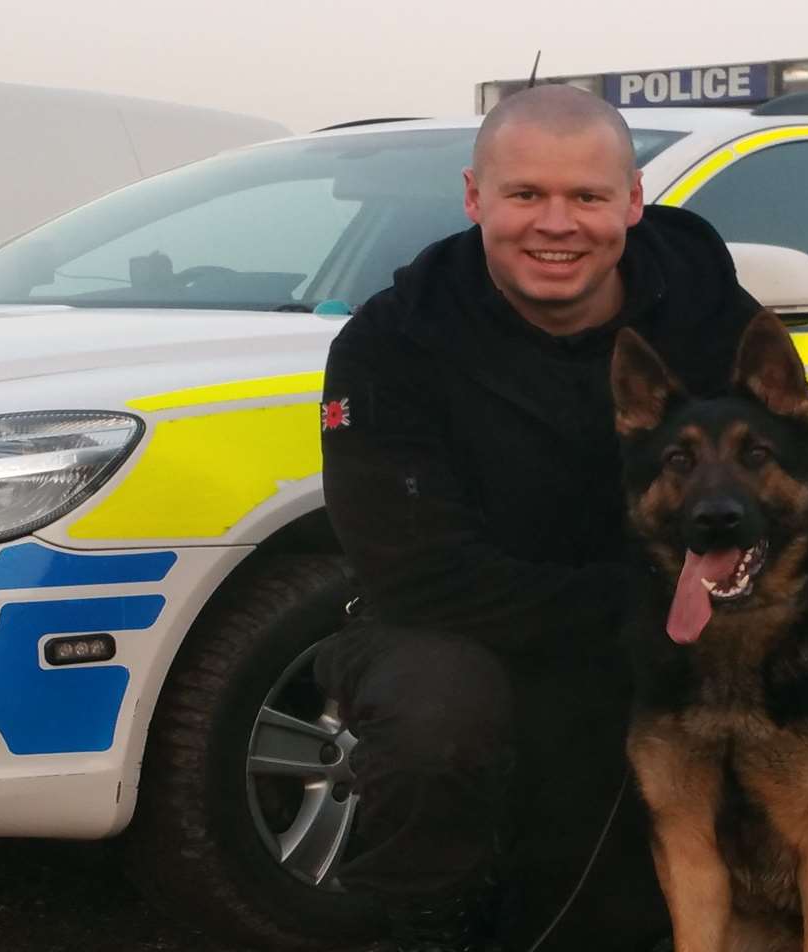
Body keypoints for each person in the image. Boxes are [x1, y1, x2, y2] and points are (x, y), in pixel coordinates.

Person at [314, 84, 760, 952]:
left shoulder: (712, 317)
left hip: (673, 629)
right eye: (525, 195)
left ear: (632, 201)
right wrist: (644, 617)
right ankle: (423, 924)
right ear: (476, 196)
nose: (557, 224)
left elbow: (800, 519)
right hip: (469, 631)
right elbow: (420, 576)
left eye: (587, 197)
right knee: (435, 714)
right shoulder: (391, 343)